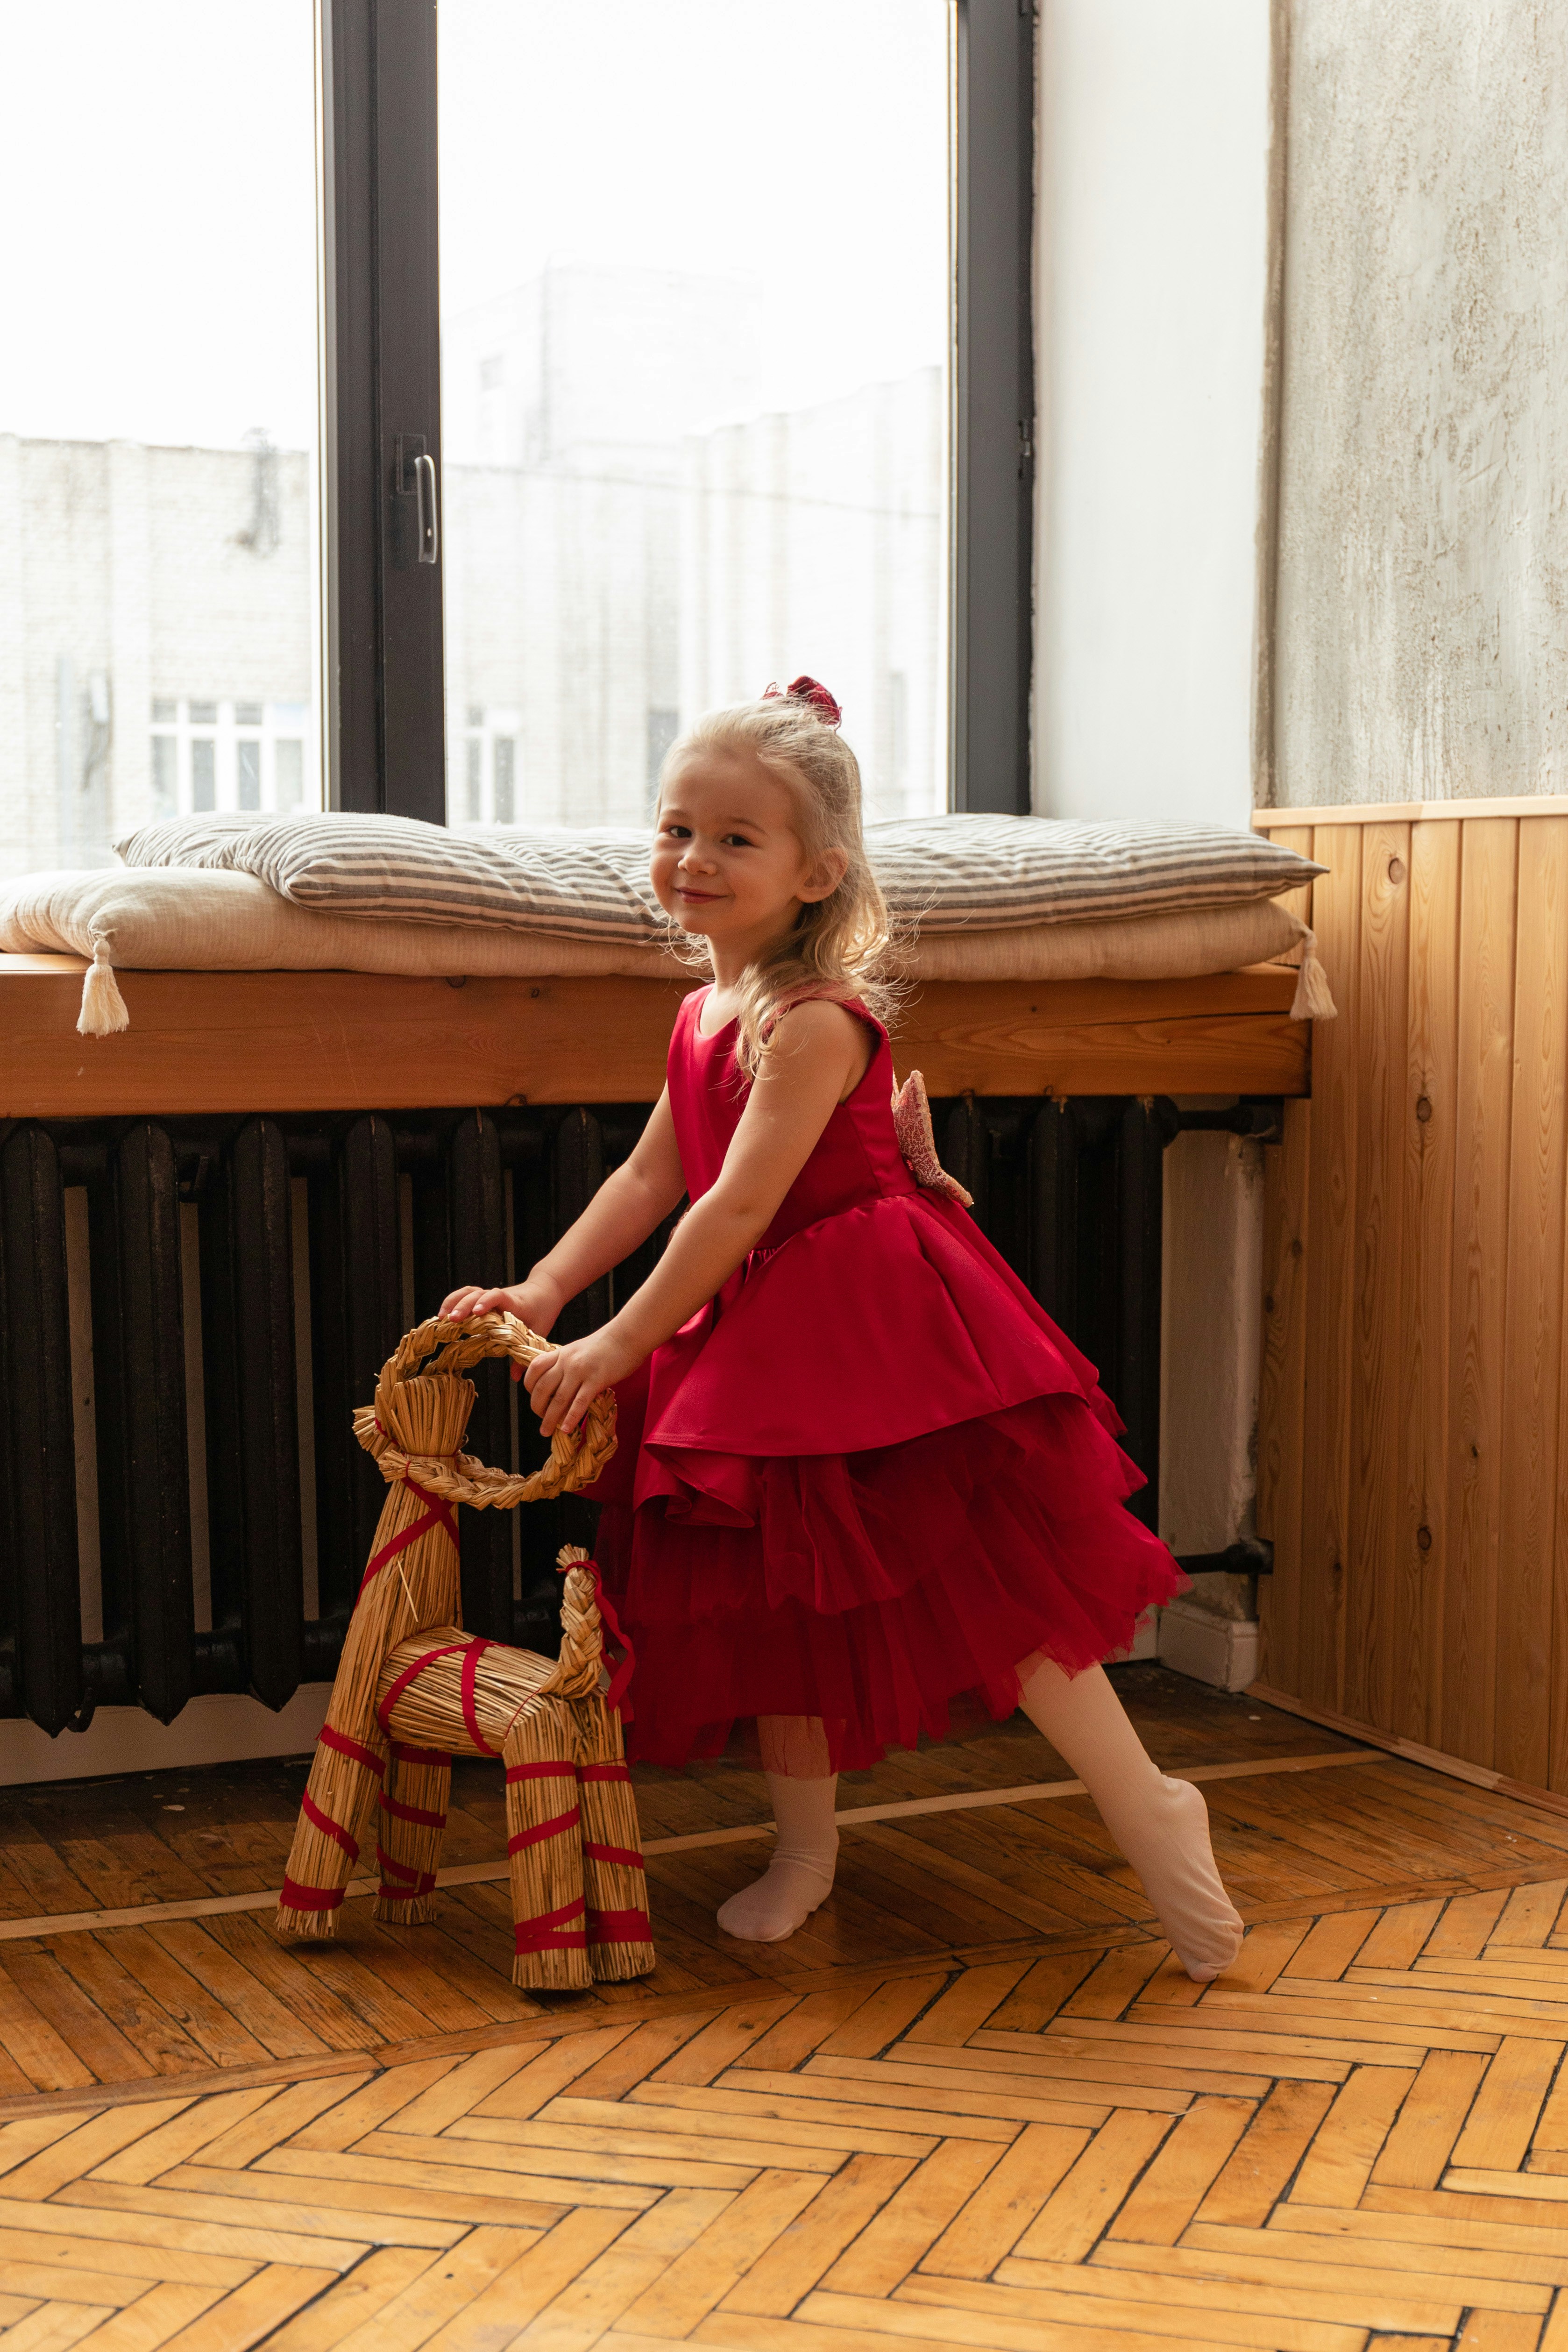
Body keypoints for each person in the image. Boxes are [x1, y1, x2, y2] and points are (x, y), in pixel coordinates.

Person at [441, 678, 1243, 1977]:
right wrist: (541, 1292)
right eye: (675, 828)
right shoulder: (702, 1010)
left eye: (735, 838)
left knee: (986, 1582)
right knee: (784, 1603)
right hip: (765, 1332)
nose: (693, 859)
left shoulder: (815, 1023)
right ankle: (806, 1847)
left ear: (817, 873)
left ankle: (1151, 1802)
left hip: (870, 1328)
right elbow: (651, 1179)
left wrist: (618, 1345)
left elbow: (736, 1204)